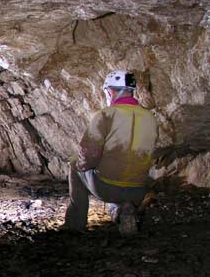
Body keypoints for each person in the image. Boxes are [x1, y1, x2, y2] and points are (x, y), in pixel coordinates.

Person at [63, 70, 157, 235]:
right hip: (138, 190)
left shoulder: (105, 115)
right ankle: (123, 210)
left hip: (107, 188)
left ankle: (75, 225)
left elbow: (89, 154)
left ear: (111, 91)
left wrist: (80, 165)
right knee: (121, 188)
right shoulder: (150, 117)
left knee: (74, 164)